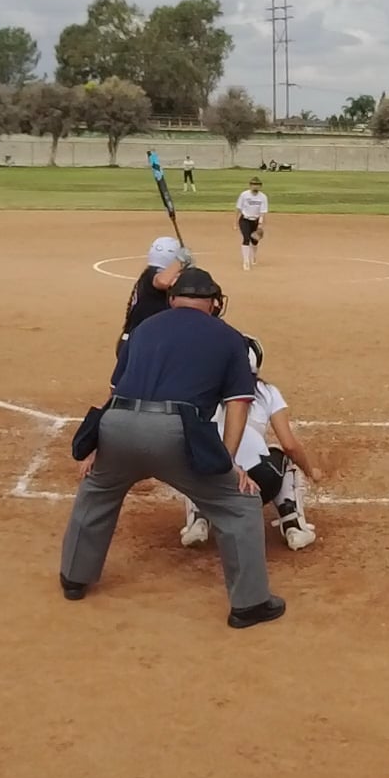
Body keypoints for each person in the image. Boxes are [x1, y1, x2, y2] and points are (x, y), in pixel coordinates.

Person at [61, 267, 285, 629]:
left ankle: (73, 578)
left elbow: (115, 391)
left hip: (117, 425)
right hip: (174, 432)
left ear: (172, 299)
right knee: (238, 504)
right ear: (214, 303)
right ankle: (250, 604)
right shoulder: (230, 337)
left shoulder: (143, 329)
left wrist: (97, 445)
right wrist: (227, 462)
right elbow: (238, 404)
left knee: (97, 489)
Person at [183, 335, 322, 551]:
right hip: (257, 484)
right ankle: (294, 526)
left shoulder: (205, 390)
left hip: (214, 483)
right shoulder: (267, 392)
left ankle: (198, 520)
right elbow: (290, 445)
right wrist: (311, 471)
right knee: (283, 458)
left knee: (198, 453)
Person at [118, 236, 190, 359]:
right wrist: (180, 262)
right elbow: (163, 281)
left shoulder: (149, 274)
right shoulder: (152, 275)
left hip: (138, 341)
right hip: (137, 344)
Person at [235, 176, 269, 271]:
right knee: (246, 239)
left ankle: (253, 256)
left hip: (256, 220)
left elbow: (263, 211)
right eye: (253, 184)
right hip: (245, 219)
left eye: (257, 185)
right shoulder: (244, 195)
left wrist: (260, 223)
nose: (255, 186)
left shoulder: (263, 197)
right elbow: (238, 209)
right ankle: (246, 261)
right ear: (250, 185)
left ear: (260, 186)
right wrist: (235, 222)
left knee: (254, 240)